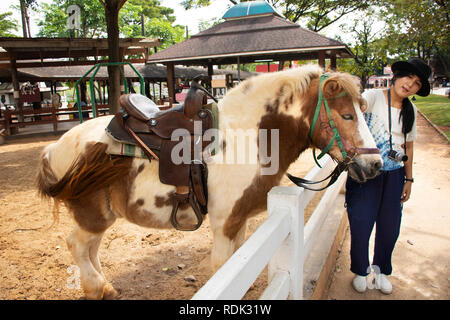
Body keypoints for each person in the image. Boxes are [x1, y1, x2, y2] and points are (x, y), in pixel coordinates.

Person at [345, 57, 431, 294]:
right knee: (361, 221)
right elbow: (357, 108)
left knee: (390, 226)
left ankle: (381, 269)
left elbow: (409, 147)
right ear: (397, 75)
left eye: (416, 84)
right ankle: (360, 270)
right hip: (367, 172)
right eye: (408, 77)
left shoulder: (410, 110)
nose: (409, 85)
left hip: (394, 175)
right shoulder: (373, 97)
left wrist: (409, 179)